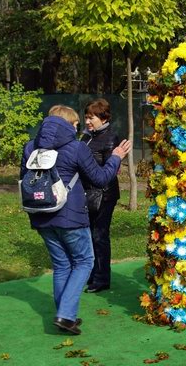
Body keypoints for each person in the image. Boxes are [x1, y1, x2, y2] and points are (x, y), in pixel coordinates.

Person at [20, 105, 132, 335]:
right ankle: (66, 315)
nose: (77, 127)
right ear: (67, 124)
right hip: (70, 216)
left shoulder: (30, 147)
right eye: (74, 124)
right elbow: (100, 178)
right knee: (84, 261)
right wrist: (116, 158)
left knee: (62, 264)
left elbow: (25, 178)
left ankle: (64, 313)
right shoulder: (76, 147)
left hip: (40, 214)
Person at [80, 99, 120, 294]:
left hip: (104, 196)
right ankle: (91, 273)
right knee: (88, 235)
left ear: (103, 117)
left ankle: (102, 278)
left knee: (99, 235)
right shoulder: (85, 137)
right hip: (86, 193)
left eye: (91, 117)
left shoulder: (111, 138)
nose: (87, 121)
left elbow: (109, 170)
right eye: (86, 117)